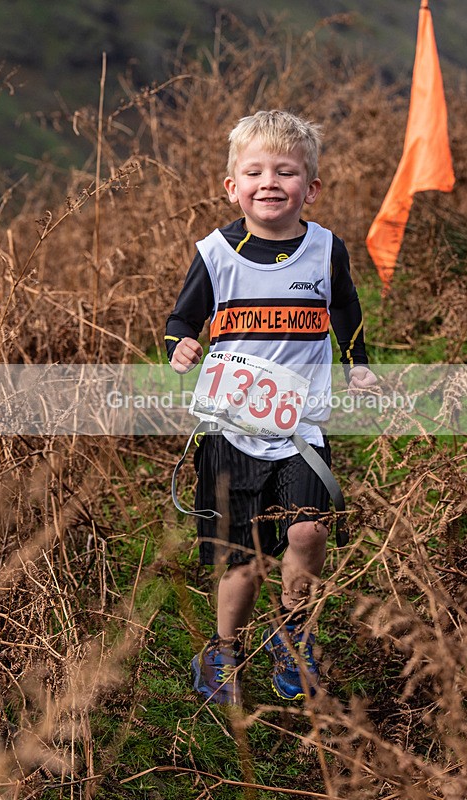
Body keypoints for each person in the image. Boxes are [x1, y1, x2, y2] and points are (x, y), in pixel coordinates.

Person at [165, 110, 375, 705]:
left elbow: (347, 314)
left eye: (286, 172)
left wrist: (359, 363)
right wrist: (182, 343)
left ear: (310, 188)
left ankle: (292, 633)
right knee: (242, 562)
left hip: (302, 427)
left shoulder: (326, 249)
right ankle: (224, 651)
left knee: (308, 530)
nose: (270, 182)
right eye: (254, 172)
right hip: (232, 429)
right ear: (233, 186)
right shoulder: (215, 252)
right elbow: (184, 318)